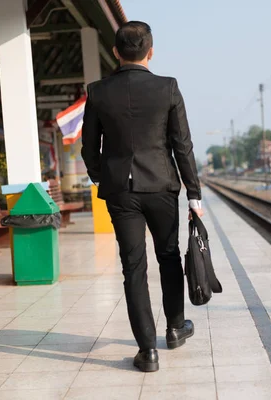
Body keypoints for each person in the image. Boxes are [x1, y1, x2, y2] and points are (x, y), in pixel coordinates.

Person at [81, 21, 203, 373]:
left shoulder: (98, 91)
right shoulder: (168, 88)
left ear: (116, 53)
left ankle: (147, 351)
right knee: (168, 256)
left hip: (121, 191)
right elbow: (182, 145)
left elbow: (90, 147)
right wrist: (194, 195)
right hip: (162, 186)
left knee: (133, 267)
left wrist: (103, 177)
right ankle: (176, 328)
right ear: (151, 51)